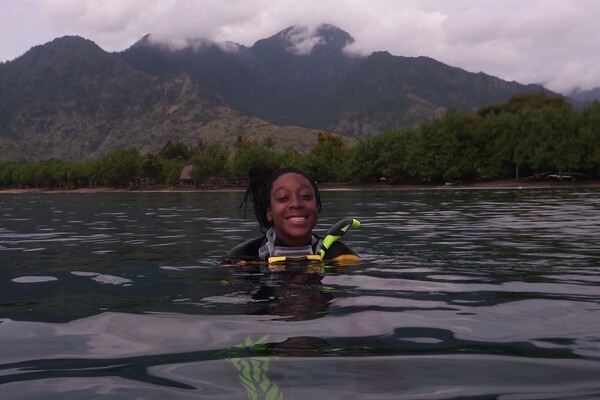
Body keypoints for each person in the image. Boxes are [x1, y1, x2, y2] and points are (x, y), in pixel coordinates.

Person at [222, 164, 359, 265]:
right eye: (283, 198)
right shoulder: (242, 257)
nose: (296, 204)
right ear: (269, 213)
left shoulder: (341, 255)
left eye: (305, 196)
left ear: (316, 207)